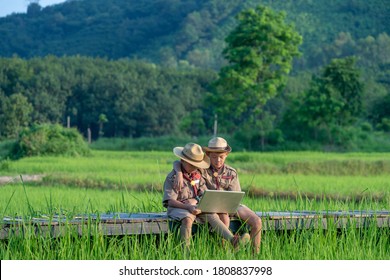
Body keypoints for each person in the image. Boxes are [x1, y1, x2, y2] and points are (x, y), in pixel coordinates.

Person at [173, 137, 262, 254]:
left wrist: (228, 205)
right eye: (214, 157)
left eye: (221, 157)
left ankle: (255, 255)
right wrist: (179, 173)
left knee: (257, 221)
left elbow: (235, 196)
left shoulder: (231, 172)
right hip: (212, 205)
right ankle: (224, 251)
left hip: (231, 205)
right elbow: (179, 162)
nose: (218, 160)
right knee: (224, 218)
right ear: (208, 154)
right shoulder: (202, 168)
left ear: (226, 155)